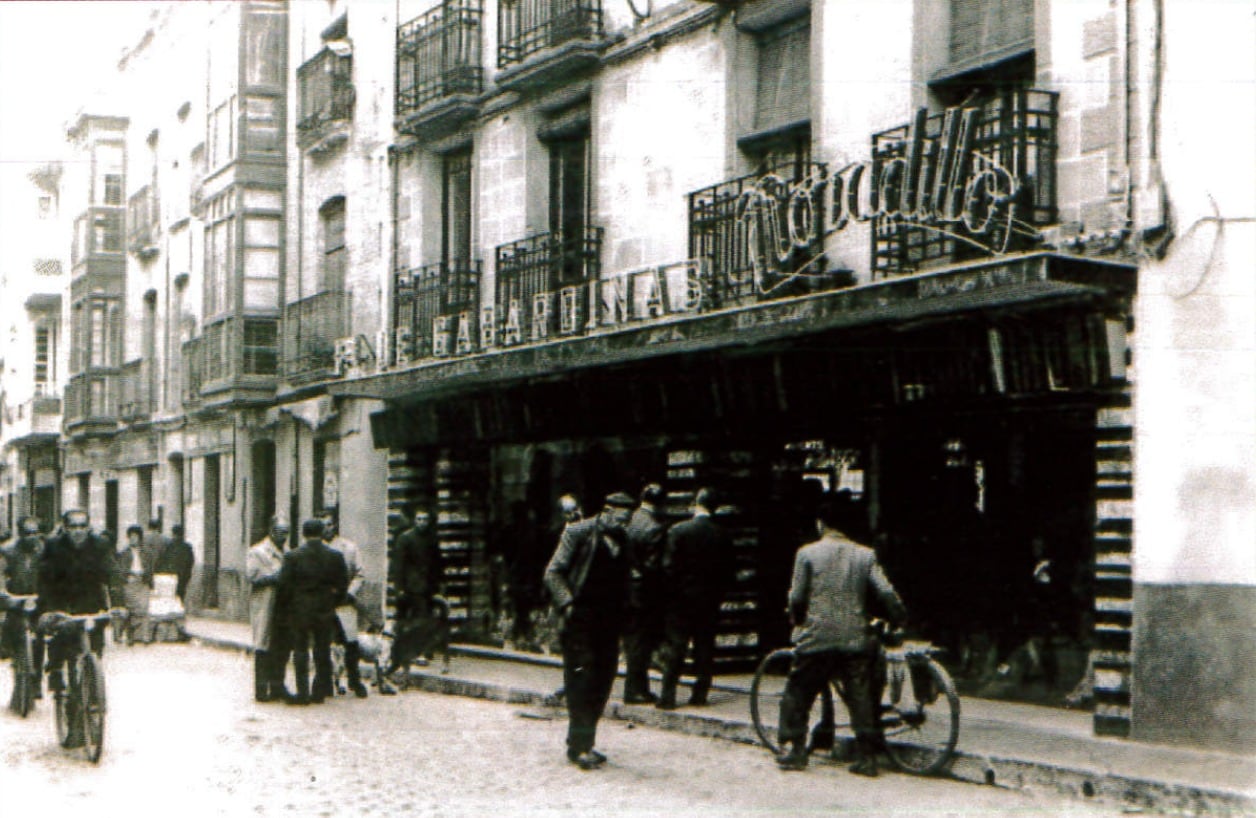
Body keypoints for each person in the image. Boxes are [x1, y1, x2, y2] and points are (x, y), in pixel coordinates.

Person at [775, 497, 907, 776]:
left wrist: (797, 621)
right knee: (860, 696)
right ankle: (867, 757)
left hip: (816, 636)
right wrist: (898, 617)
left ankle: (794, 749)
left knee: (798, 690)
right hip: (854, 637)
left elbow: (797, 597)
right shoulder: (865, 554)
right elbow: (885, 592)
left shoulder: (807, 554)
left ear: (820, 524)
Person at [543, 491, 635, 770]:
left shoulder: (623, 539)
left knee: (603, 681)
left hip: (609, 621)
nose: (625, 524)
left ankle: (588, 743)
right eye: (621, 518)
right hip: (580, 620)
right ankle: (577, 746)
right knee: (582, 681)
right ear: (606, 512)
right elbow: (553, 572)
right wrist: (568, 604)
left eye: (628, 520)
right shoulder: (579, 532)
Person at [38, 509, 118, 744]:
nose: (78, 531)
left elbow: (113, 575)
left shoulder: (100, 546)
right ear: (65, 528)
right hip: (62, 606)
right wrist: (49, 609)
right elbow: (44, 581)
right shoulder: (53, 547)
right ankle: (60, 685)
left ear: (89, 527)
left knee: (93, 655)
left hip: (92, 606)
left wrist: (119, 604)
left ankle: (94, 694)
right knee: (65, 655)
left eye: (82, 526)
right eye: (73, 527)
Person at [655, 487, 734, 710]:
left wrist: (672, 594)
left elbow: (668, 567)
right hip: (709, 600)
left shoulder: (679, 531)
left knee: (676, 647)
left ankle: (668, 696)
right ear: (715, 508)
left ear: (695, 503)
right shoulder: (723, 534)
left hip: (681, 601)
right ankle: (700, 693)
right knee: (705, 646)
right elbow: (729, 571)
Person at [275, 518, 348, 705]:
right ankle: (319, 691)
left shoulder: (293, 556)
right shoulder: (335, 556)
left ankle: (303, 693)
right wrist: (333, 603)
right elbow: (342, 585)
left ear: (303, 534)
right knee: (322, 649)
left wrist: (285, 608)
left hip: (300, 609)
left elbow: (284, 587)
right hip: (324, 608)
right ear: (322, 532)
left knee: (300, 650)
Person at [622, 483, 668, 704]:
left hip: (626, 590)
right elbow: (653, 568)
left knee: (633, 643)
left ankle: (638, 688)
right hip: (644, 595)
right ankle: (634, 690)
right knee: (642, 644)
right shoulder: (653, 528)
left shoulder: (630, 520)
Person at [386, 505, 443, 682]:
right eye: (419, 519)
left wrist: (437, 587)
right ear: (414, 520)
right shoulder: (405, 539)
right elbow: (398, 566)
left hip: (426, 588)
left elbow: (437, 565)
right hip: (408, 587)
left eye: (425, 520)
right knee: (402, 622)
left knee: (423, 621)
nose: (422, 523)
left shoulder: (432, 540)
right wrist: (399, 588)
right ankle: (395, 654)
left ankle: (421, 652)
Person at [321, 511, 370, 698]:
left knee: (351, 643)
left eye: (329, 524)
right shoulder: (316, 549)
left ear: (335, 526)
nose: (327, 528)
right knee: (327, 643)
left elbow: (359, 573)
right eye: (323, 525)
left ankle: (354, 680)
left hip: (344, 601)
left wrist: (350, 593)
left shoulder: (348, 548)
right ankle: (329, 681)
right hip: (324, 603)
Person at [246, 517, 290, 703]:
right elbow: (252, 576)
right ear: (271, 531)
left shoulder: (288, 552)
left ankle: (278, 686)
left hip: (284, 604)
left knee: (282, 645)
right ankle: (262, 689)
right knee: (263, 645)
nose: (284, 537)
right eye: (280, 533)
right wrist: (275, 576)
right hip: (265, 602)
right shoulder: (257, 552)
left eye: (286, 533)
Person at [1, 517, 45, 696]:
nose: (32, 537)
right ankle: (13, 659)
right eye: (28, 533)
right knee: (9, 630)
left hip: (37, 600)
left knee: (39, 638)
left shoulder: (44, 551)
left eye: (35, 533)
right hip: (15, 600)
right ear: (20, 534)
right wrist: (4, 592)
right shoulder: (8, 551)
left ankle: (36, 681)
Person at [117, 524, 158, 644]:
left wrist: (150, 582)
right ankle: (130, 636)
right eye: (131, 537)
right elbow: (121, 569)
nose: (133, 539)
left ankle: (146, 637)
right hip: (129, 582)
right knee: (130, 611)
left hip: (142, 582)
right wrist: (127, 577)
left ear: (140, 538)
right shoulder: (124, 553)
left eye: (135, 537)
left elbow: (151, 567)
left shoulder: (147, 552)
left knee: (145, 609)